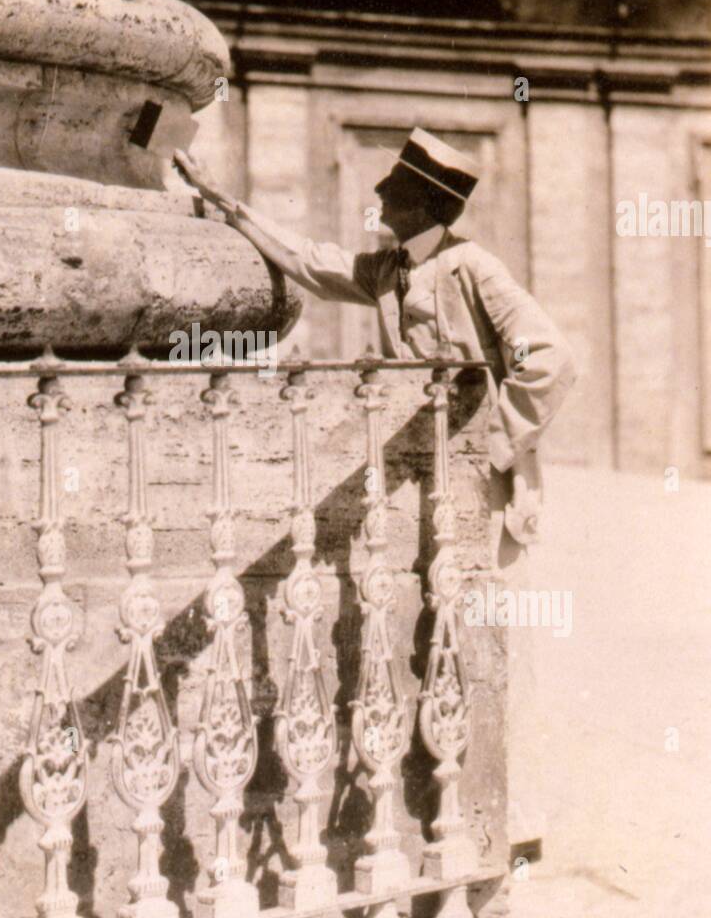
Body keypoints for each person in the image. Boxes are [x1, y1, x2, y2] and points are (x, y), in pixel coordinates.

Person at [175, 129, 577, 852]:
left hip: (484, 491)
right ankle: (444, 806)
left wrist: (490, 443)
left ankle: (515, 823)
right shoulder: (388, 270)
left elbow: (548, 357)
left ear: (425, 203)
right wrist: (223, 204)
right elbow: (308, 261)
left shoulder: (470, 268)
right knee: (435, 628)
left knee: (491, 635)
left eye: (391, 190)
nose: (376, 197)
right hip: (425, 487)